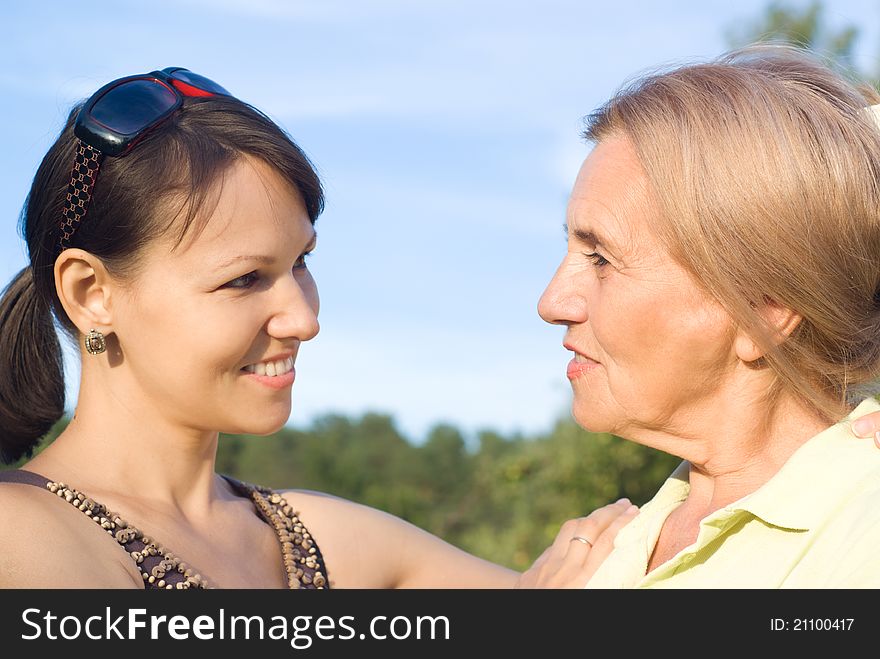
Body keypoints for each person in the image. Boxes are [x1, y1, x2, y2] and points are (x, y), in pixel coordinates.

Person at [0, 67, 632, 589]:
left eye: (300, 263)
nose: (304, 318)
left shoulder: (322, 540)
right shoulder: (22, 537)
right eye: (244, 278)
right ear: (92, 294)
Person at [538, 45, 880, 587]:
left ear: (763, 312)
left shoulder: (863, 538)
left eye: (601, 258)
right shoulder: (610, 545)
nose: (552, 303)